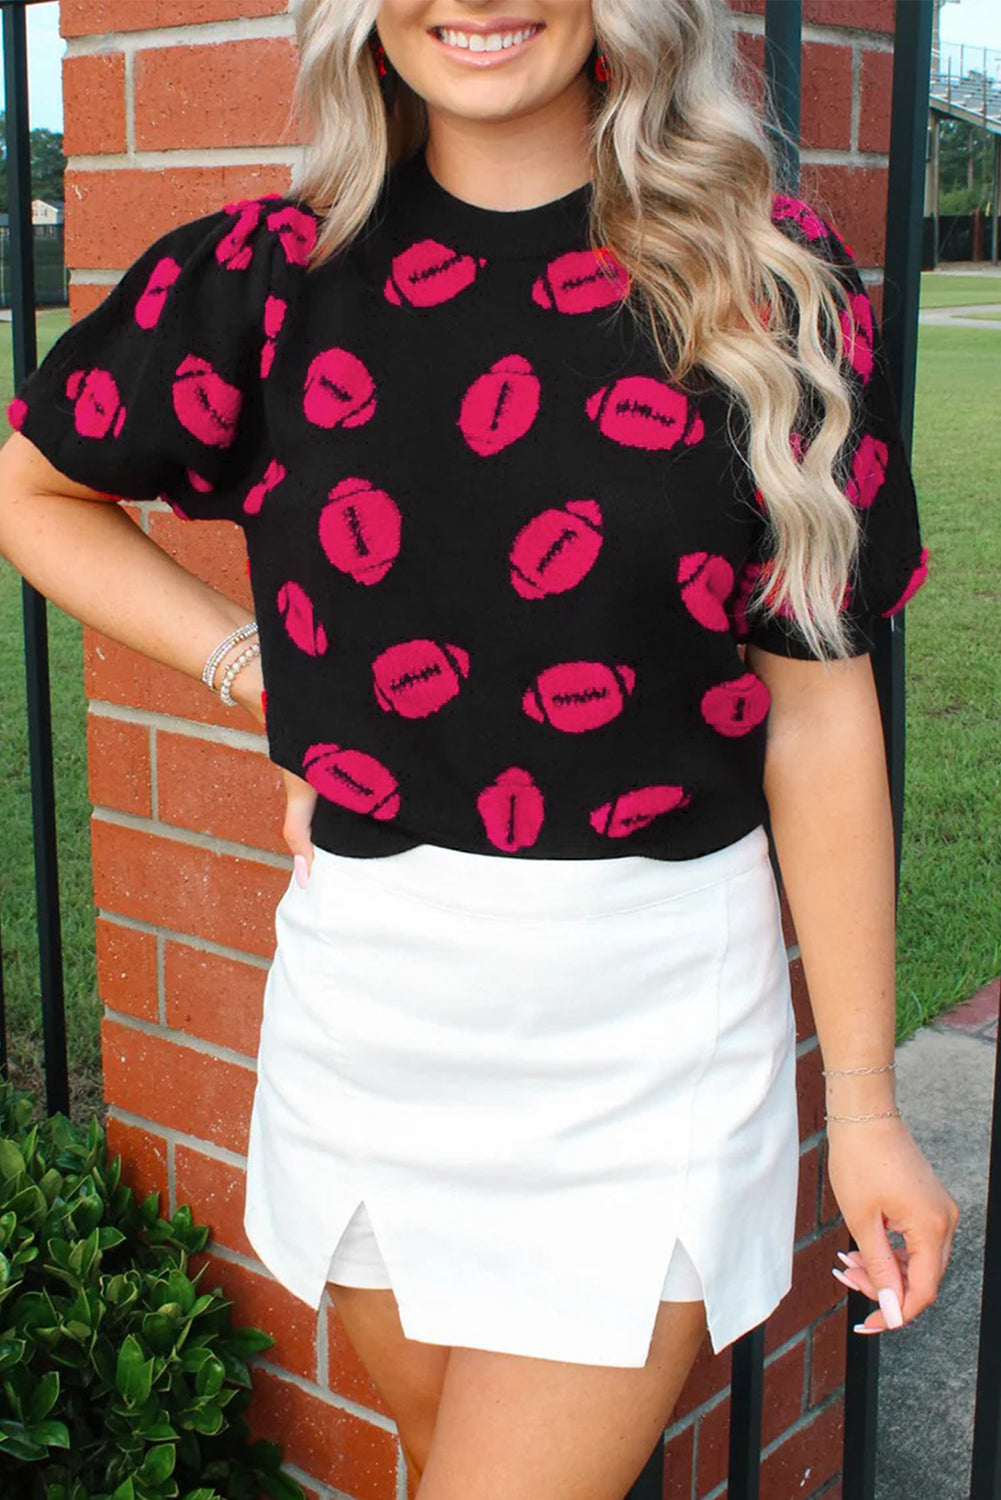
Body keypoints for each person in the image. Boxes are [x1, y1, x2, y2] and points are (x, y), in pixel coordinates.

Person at [0, 1, 959, 1496]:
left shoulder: (763, 282)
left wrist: (867, 1109)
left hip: (646, 1026)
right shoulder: (271, 275)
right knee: (444, 1458)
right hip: (371, 1003)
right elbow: (36, 490)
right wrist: (256, 672)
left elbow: (820, 708)